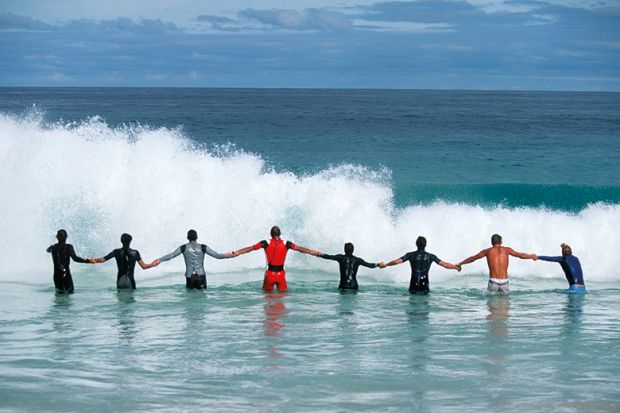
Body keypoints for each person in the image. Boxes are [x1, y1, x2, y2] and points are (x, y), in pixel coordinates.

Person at [231, 226, 320, 292]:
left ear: (271, 234)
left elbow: (250, 248)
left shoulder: (265, 243)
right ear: (280, 234)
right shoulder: (287, 244)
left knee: (268, 298)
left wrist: (237, 252)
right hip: (281, 275)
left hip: (270, 274)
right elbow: (301, 249)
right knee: (282, 298)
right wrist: (313, 252)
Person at [152, 229, 234, 290]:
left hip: (189, 276)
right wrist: (229, 255)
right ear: (197, 237)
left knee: (190, 298)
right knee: (202, 298)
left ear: (187, 237)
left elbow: (171, 255)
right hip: (201, 275)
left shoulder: (184, 247)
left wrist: (159, 260)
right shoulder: (203, 247)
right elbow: (217, 256)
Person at [457, 233, 536, 293]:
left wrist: (461, 263)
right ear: (501, 242)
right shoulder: (507, 250)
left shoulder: (487, 251)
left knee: (492, 308)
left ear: (492, 242)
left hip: (493, 282)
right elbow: (520, 255)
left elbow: (472, 258)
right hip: (504, 282)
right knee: (505, 308)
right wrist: (531, 256)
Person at [379, 236, 460, 294]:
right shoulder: (431, 256)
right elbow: (445, 265)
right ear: (425, 245)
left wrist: (385, 264)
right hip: (425, 286)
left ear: (416, 244)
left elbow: (396, 262)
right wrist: (455, 267)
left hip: (413, 285)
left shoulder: (410, 255)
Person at [91, 233, 156, 289]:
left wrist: (91, 260)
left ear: (121, 241)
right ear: (130, 241)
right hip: (130, 281)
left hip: (120, 281)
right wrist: (152, 264)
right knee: (131, 301)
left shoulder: (116, 251)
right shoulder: (135, 252)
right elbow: (144, 266)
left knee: (121, 301)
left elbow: (102, 260)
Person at [47, 229, 92, 294]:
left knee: (59, 294)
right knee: (70, 292)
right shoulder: (69, 247)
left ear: (56, 237)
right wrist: (87, 261)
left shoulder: (53, 247)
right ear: (66, 237)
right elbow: (75, 258)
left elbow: (47, 250)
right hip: (66, 274)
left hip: (56, 275)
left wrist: (51, 248)